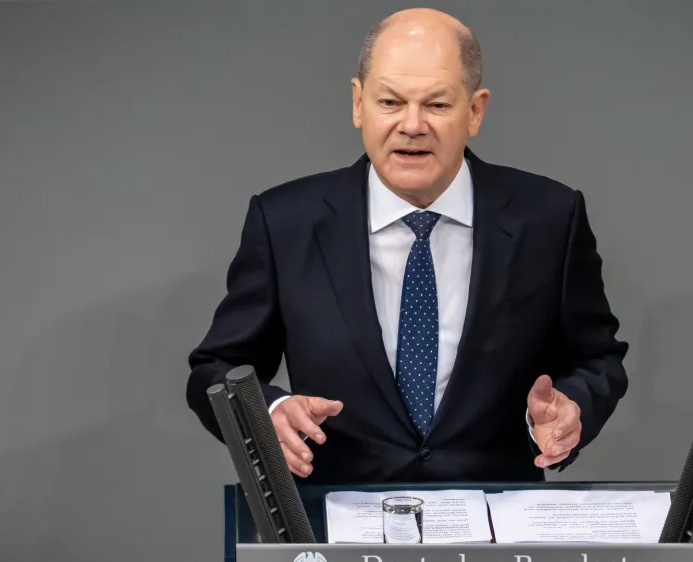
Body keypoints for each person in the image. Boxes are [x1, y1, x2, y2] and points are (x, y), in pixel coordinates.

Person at [186, 8, 629, 485]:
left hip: (494, 527)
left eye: (437, 105)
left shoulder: (549, 217)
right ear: (358, 104)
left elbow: (596, 359)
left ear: (475, 111)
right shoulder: (285, 222)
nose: (412, 125)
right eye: (390, 102)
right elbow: (215, 368)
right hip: (335, 529)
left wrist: (569, 412)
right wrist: (267, 412)